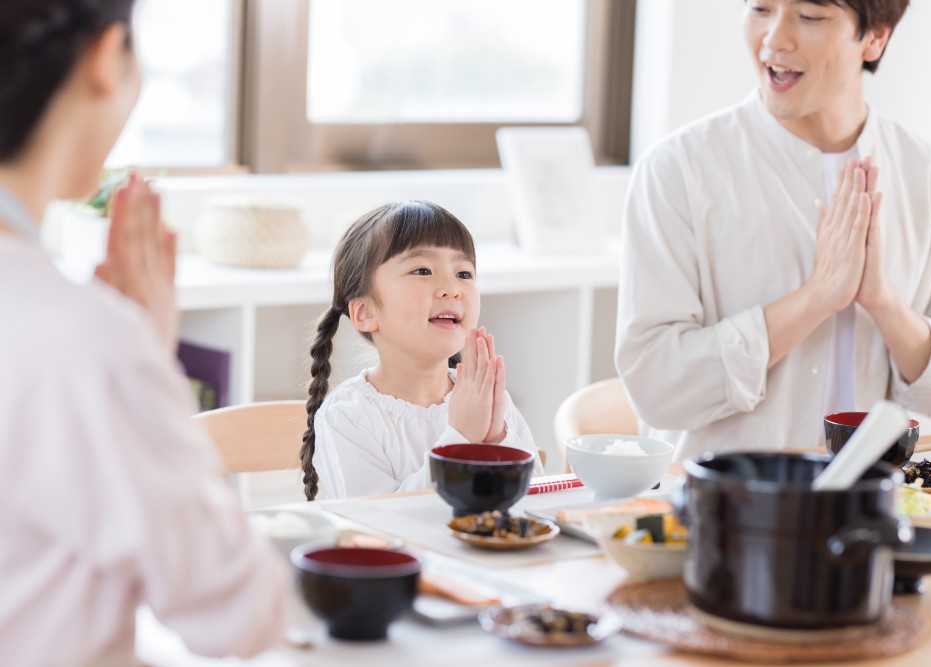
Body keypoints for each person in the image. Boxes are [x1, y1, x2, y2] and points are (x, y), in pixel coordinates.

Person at [0, 2, 289, 664]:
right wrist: (146, 368)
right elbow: (240, 615)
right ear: (106, 57)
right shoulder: (86, 343)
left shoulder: (83, 339)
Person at [616, 0, 931, 461]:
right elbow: (655, 386)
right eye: (760, 8)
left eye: (810, 17)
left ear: (876, 36)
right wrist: (816, 298)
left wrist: (885, 304)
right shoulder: (677, 171)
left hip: (881, 512)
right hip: (727, 512)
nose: (775, 38)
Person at [300, 200, 542, 500]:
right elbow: (377, 524)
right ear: (365, 313)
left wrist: (496, 438)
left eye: (464, 274)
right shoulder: (348, 416)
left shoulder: (488, 400)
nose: (451, 288)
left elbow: (538, 501)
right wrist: (461, 438)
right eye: (423, 270)